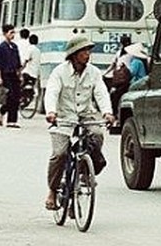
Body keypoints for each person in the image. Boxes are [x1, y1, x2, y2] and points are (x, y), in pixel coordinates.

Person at [42, 35, 114, 211]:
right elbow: (51, 92)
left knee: (97, 134)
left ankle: (84, 173)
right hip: (63, 117)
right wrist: (51, 111)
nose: (88, 54)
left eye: (89, 51)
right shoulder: (59, 72)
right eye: (83, 51)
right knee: (59, 154)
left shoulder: (94, 73)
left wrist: (107, 112)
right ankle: (52, 190)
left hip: (85, 115)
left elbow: (101, 93)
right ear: (74, 55)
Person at [0, 24, 22, 128]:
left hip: (14, 74)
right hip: (5, 74)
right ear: (5, 34)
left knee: (16, 97)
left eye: (13, 32)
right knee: (9, 95)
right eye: (11, 33)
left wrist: (20, 75)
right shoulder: (1, 47)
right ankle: (2, 112)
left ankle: (12, 121)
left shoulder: (14, 47)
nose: (13, 35)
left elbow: (18, 62)